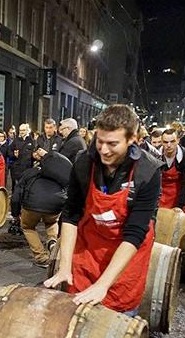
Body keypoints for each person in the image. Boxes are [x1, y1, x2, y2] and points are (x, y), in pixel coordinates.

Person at [44, 104, 162, 315]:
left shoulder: (148, 172)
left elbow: (135, 232)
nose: (104, 150)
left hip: (125, 256)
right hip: (90, 247)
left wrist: (103, 285)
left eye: (113, 143)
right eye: (100, 141)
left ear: (132, 139)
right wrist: (64, 266)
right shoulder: (84, 162)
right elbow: (71, 215)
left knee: (117, 317)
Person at [11, 146, 72, 267]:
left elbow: (16, 195)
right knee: (51, 223)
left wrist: (15, 214)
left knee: (28, 227)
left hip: (32, 205)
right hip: (56, 204)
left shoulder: (30, 173)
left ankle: (41, 257)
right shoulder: (58, 175)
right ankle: (52, 241)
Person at [158, 129, 185, 211]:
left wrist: (179, 206)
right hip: (158, 195)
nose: (169, 145)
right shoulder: (155, 155)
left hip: (177, 196)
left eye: (172, 141)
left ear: (178, 140)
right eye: (166, 142)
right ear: (162, 142)